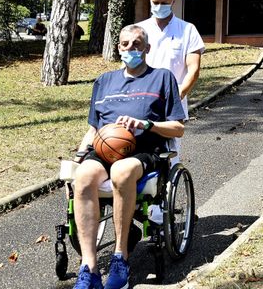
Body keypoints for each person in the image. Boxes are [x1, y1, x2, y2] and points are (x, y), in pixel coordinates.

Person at [72, 24, 185, 289]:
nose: (130, 49)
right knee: (84, 176)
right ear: (118, 47)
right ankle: (88, 268)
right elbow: (93, 129)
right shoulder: (104, 81)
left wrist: (146, 125)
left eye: (137, 44)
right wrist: (79, 156)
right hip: (104, 148)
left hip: (144, 151)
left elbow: (178, 128)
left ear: (147, 48)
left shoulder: (162, 78)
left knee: (121, 171)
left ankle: (119, 256)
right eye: (125, 44)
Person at [136, 0, 204, 224]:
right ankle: (142, 202)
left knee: (169, 155)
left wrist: (176, 97)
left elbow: (193, 69)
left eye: (164, 2)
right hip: (142, 103)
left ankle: (165, 206)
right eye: (155, 2)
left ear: (173, 1)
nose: (159, 6)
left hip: (172, 106)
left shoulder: (187, 30)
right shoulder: (140, 30)